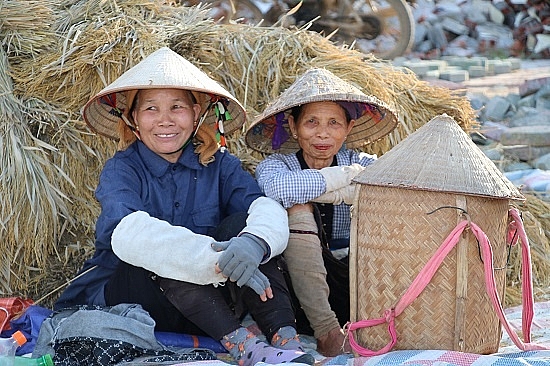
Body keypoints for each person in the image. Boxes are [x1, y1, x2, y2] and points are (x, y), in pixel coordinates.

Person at [54, 47, 315, 366]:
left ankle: (286, 339)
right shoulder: (122, 170)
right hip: (140, 301)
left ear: (195, 114)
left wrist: (254, 243)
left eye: (177, 107)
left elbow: (265, 206)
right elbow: (128, 233)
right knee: (156, 248)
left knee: (243, 229)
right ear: (134, 118)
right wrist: (214, 260)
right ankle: (243, 344)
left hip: (206, 308)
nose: (165, 120)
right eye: (151, 108)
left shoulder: (221, 165)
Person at [245, 68, 398, 357]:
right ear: (293, 126)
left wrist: (331, 186)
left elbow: (383, 184)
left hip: (354, 286)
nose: (323, 134)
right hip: (295, 292)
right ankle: (327, 332)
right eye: (311, 122)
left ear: (349, 128)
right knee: (297, 207)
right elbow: (279, 190)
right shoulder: (278, 165)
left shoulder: (361, 160)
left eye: (334, 123)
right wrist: (348, 179)